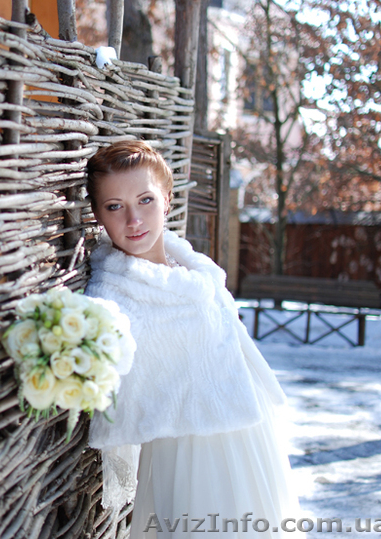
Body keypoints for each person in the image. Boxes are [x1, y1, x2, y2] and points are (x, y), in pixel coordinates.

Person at [84, 140, 302, 538]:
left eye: (145, 199)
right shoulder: (112, 295)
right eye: (114, 206)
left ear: (167, 199)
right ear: (98, 214)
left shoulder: (188, 263)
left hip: (247, 431)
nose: (133, 219)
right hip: (187, 454)